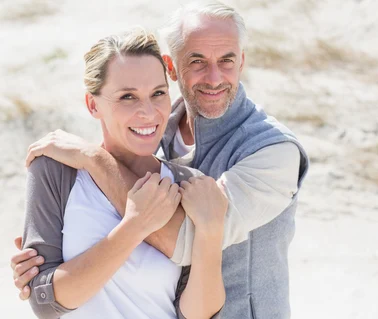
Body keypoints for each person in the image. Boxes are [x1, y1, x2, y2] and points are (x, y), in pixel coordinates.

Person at [11, 1, 310, 318]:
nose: (213, 77)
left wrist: (95, 160)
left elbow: (185, 242)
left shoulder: (272, 151)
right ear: (172, 66)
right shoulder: (155, 137)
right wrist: (41, 278)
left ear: (241, 62)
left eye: (227, 60)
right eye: (197, 61)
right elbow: (43, 295)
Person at [17, 27, 227, 319]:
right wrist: (135, 226)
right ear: (93, 105)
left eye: (158, 93)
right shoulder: (56, 170)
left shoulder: (186, 185)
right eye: (128, 97)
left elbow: (197, 314)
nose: (149, 112)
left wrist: (211, 231)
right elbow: (44, 302)